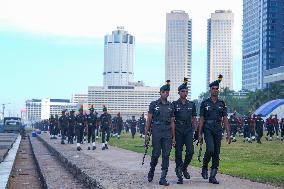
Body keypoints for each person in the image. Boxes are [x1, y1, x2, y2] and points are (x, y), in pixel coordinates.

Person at [198, 74, 231, 184]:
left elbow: (225, 118)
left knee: (216, 153)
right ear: (210, 90)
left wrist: (228, 133)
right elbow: (201, 119)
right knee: (210, 149)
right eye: (213, 89)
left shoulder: (222, 104)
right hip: (207, 128)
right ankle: (204, 166)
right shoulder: (204, 103)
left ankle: (212, 176)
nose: (215, 90)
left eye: (217, 89)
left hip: (218, 129)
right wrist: (199, 133)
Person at [145, 80, 175, 186]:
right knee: (156, 154)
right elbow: (149, 120)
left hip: (167, 131)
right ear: (160, 92)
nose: (166, 94)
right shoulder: (153, 104)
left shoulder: (171, 106)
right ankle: (152, 170)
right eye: (164, 92)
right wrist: (146, 136)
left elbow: (172, 122)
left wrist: (174, 137)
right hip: (157, 130)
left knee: (166, 155)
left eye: (167, 92)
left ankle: (163, 177)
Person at [172, 78, 197, 184]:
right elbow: (172, 120)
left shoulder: (192, 104)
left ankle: (184, 167)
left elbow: (194, 119)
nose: (185, 93)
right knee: (178, 153)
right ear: (179, 92)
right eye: (183, 91)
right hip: (178, 130)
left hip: (188, 130)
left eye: (186, 91)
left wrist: (195, 131)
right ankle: (179, 175)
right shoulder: (174, 104)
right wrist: (172, 136)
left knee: (190, 151)